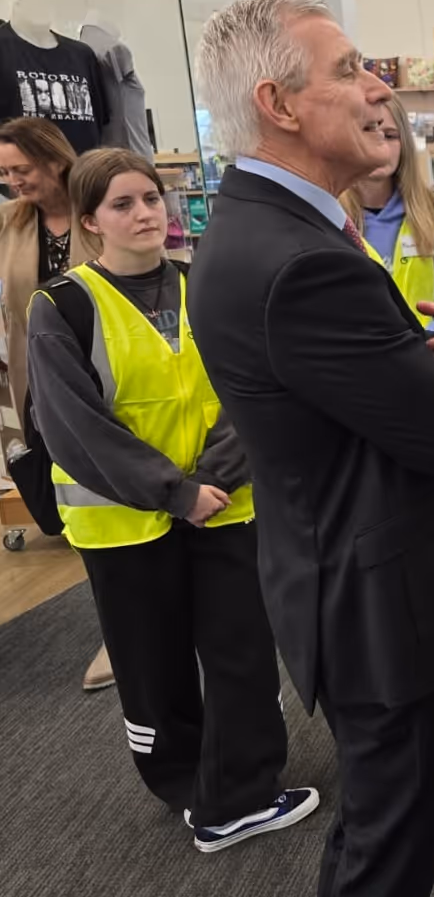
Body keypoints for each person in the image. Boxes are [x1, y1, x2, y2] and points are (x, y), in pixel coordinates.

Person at [187, 0, 434, 897]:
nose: (380, 91)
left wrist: (427, 356)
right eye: (349, 70)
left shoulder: (266, 228)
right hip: (384, 607)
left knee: (374, 828)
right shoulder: (301, 258)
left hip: (350, 584)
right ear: (279, 105)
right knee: (386, 854)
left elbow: (339, 391)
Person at [26, 148, 317, 853]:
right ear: (90, 221)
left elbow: (254, 386)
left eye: (151, 199)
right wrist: (173, 492)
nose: (145, 214)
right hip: (127, 525)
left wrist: (211, 483)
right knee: (152, 666)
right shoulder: (61, 306)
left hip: (223, 507)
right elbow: (73, 427)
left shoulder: (202, 285)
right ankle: (186, 782)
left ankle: (240, 791)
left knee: (240, 651)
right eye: (123, 204)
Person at [0, 117, 112, 692]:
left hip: (111, 378)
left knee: (125, 500)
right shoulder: (13, 223)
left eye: (21, 170)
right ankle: (117, 629)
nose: (13, 181)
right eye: (5, 172)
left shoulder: (102, 206)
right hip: (40, 385)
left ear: (55, 161)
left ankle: (137, 626)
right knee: (78, 514)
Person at [344, 95, 434, 321]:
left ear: (404, 144)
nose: (380, 145)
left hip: (430, 351)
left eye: (390, 136)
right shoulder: (327, 216)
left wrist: (427, 342)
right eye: (367, 131)